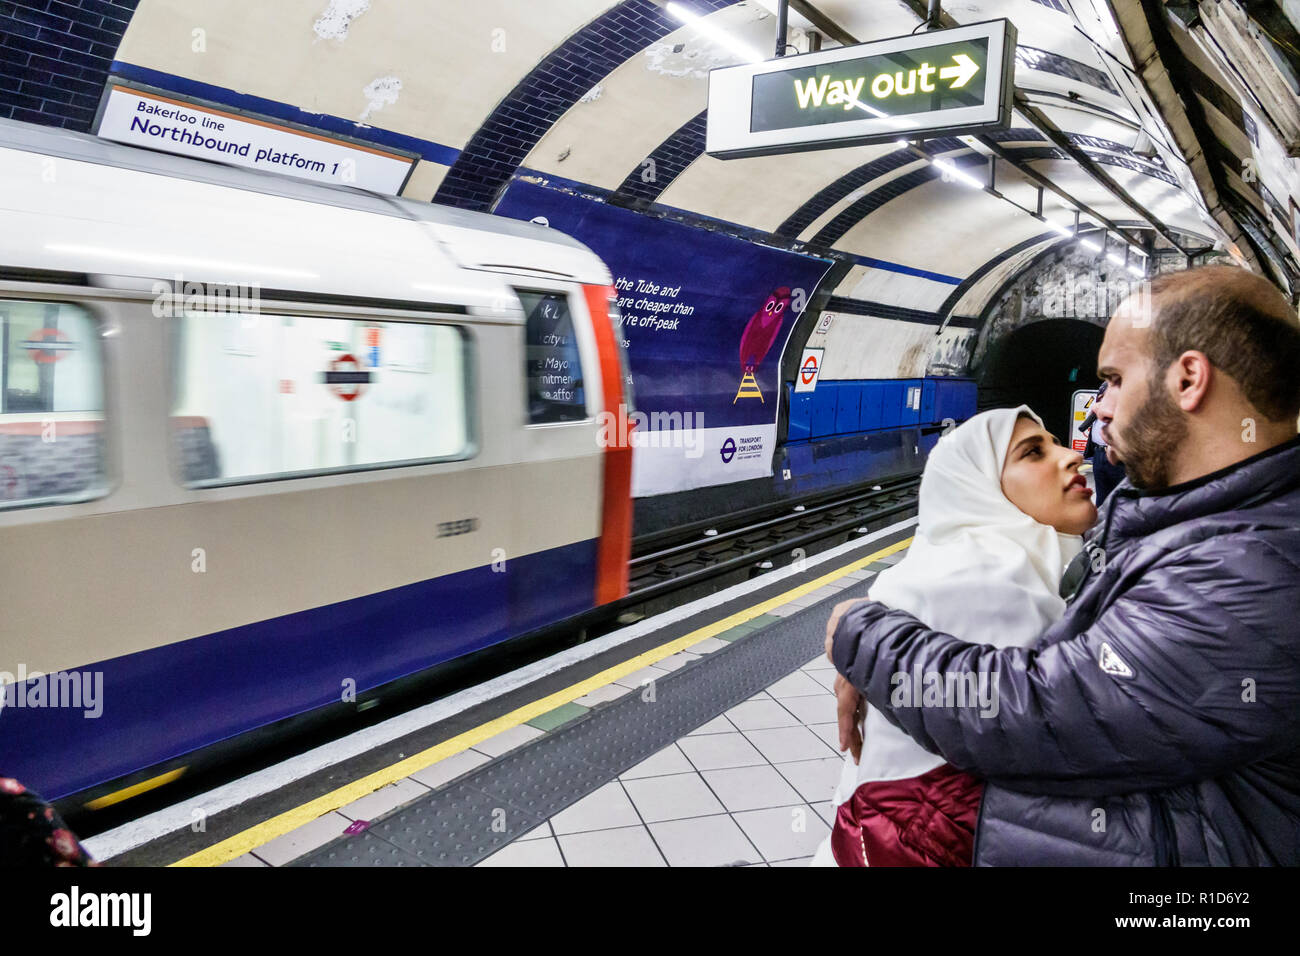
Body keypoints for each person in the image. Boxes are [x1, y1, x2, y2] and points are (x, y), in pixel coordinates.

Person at [827, 264, 1300, 865]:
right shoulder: (1209, 521)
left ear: (1188, 379)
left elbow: (1037, 712)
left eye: (1114, 380)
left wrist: (856, 630)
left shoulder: (1246, 566)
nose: (1098, 409)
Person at [810, 406, 1096, 866]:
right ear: (978, 489)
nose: (1071, 457)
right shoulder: (986, 580)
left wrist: (855, 631)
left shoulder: (953, 569)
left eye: (1056, 443)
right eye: (1033, 452)